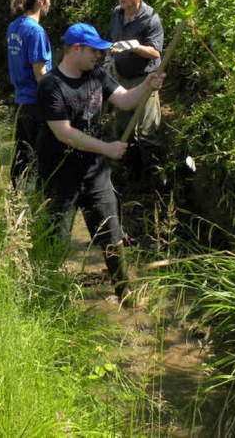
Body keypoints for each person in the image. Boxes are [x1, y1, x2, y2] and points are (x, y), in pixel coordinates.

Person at [36, 23, 165, 302]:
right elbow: (64, 133)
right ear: (76, 49)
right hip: (59, 175)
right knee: (54, 239)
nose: (99, 55)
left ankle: (125, 293)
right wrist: (107, 148)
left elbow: (124, 100)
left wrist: (146, 85)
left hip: (95, 172)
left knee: (111, 233)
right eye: (95, 50)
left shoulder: (97, 73)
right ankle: (50, 296)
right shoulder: (51, 85)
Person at [107, 0, 164, 180]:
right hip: (121, 78)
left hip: (146, 79)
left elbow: (157, 52)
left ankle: (154, 180)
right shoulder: (117, 14)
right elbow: (111, 41)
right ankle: (131, 176)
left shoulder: (150, 18)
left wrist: (135, 46)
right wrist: (108, 60)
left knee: (147, 131)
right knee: (123, 129)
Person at [6, 0, 52, 190]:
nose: (50, 4)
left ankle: (17, 196)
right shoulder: (36, 32)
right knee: (40, 155)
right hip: (36, 101)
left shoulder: (13, 27)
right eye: (49, 0)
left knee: (21, 153)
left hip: (20, 99)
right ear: (41, 1)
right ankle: (38, 198)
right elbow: (40, 72)